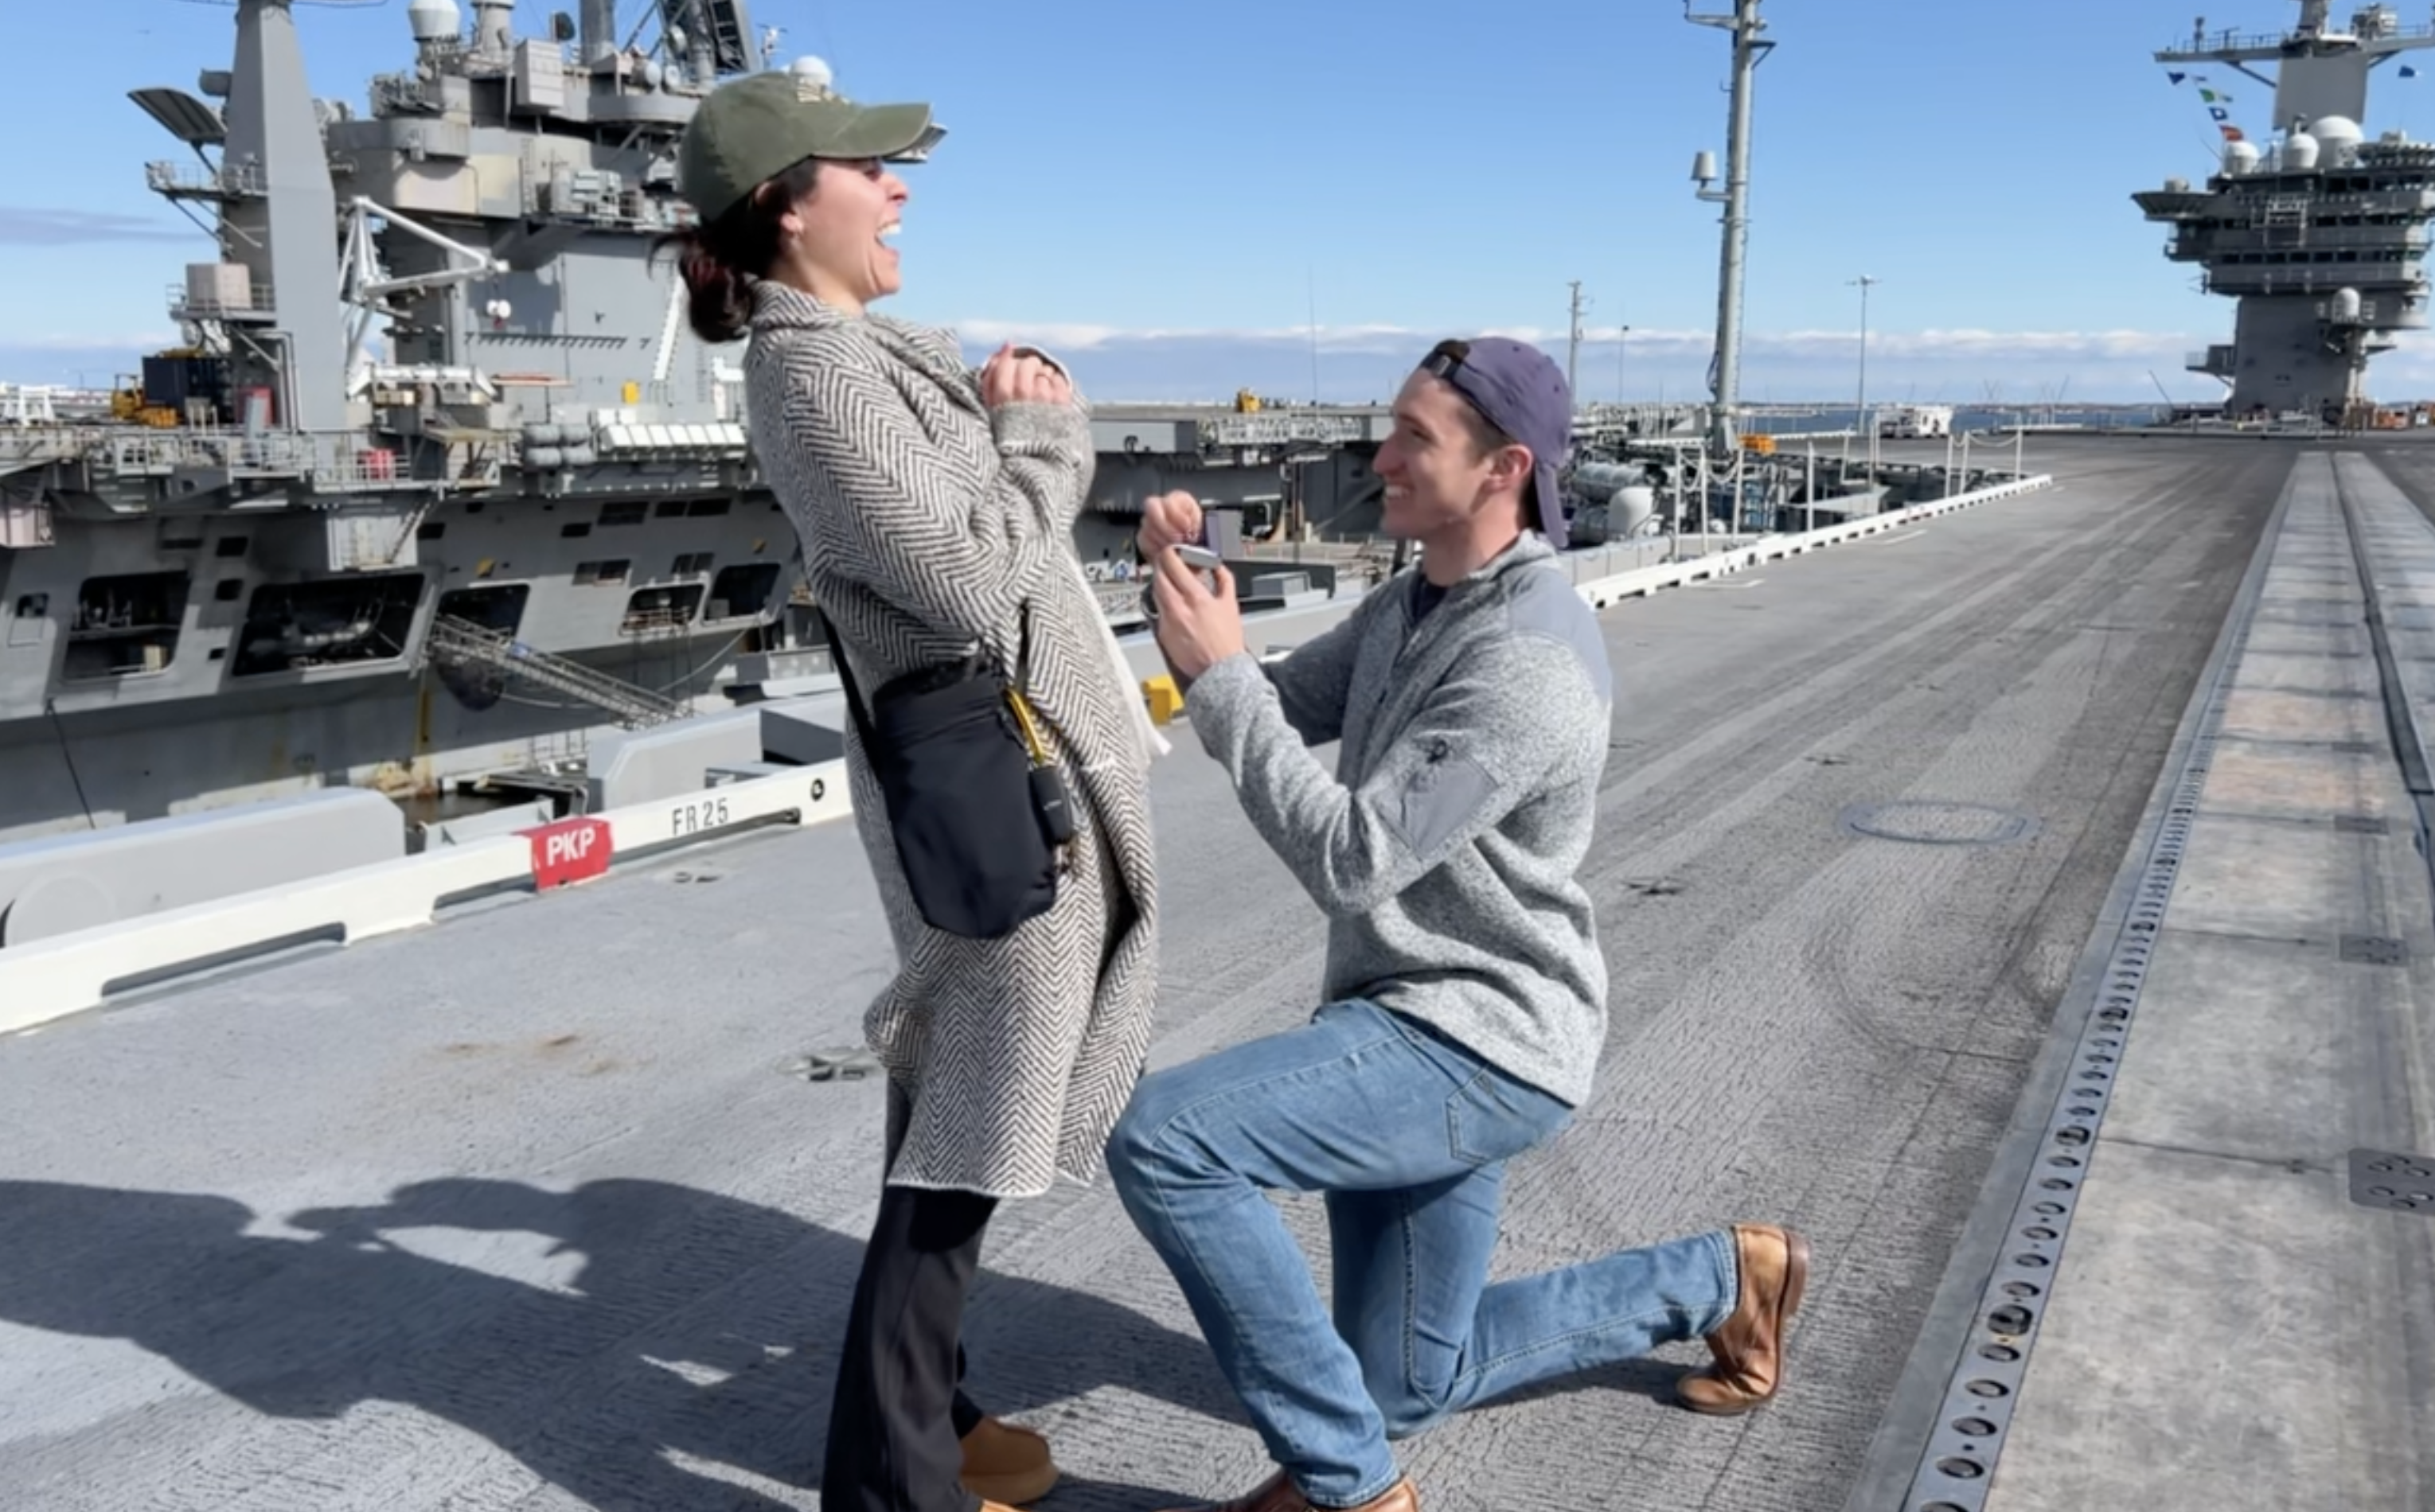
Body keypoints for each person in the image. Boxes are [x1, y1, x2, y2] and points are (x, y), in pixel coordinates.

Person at [1110, 337, 1809, 1512]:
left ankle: (1351, 1490)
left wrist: (1218, 681)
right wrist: (1184, 588)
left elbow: (1353, 859)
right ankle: (1724, 1279)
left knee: (1168, 1139)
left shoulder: (1526, 659)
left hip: (1478, 1041)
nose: (1378, 456)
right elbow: (1274, 704)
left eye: (1412, 438)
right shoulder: (1415, 599)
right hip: (1399, 1014)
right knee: (1400, 1382)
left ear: (1503, 469)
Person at [667, 65, 1169, 1512]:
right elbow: (961, 575)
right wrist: (1043, 441)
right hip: (990, 796)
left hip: (1009, 780)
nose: (899, 186)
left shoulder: (858, 352)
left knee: (959, 1109)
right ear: (784, 203)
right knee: (960, 1152)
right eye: (867, 166)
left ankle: (932, 1423)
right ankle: (892, 1485)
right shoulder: (812, 371)